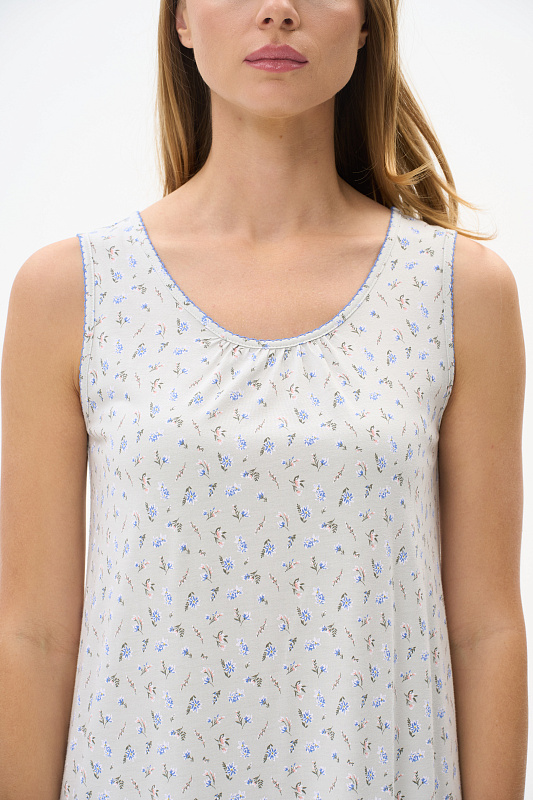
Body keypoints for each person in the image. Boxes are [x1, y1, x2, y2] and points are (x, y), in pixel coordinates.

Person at [0, 0, 527, 797]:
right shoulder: (72, 289)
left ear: (366, 24)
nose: (277, 11)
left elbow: (484, 630)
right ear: (181, 20)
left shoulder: (456, 291)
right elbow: (35, 636)